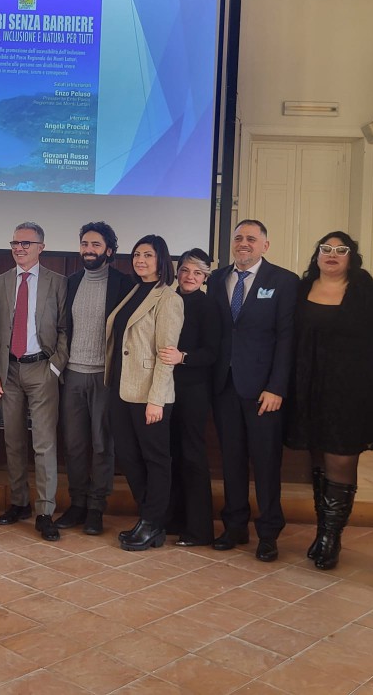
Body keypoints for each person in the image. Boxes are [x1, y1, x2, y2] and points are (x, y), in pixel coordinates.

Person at [286, 232, 373, 570]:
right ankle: (323, 530)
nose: (333, 255)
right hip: (308, 388)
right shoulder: (301, 290)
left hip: (350, 391)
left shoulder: (370, 292)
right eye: (326, 249)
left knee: (341, 460)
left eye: (341, 250)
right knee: (317, 457)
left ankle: (333, 536)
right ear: (317, 255)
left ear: (352, 256)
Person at [206, 219, 298, 562]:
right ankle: (234, 526)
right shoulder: (217, 279)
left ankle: (269, 532)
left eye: (251, 239)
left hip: (264, 391)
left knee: (266, 462)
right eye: (238, 238)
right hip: (224, 386)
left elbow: (287, 339)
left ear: (265, 245)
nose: (243, 243)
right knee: (231, 459)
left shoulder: (285, 281)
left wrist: (277, 387)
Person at [0, 222, 68, 542]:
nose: (19, 248)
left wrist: (56, 368)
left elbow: (64, 329)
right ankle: (19, 502)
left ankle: (44, 510)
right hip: (9, 370)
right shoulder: (0, 283)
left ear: (41, 247)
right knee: (14, 441)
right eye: (15, 243)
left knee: (44, 442)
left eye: (26, 243)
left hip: (41, 369)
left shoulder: (58, 282)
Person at [55, 222, 134, 536]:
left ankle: (97, 507)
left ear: (109, 251)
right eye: (85, 244)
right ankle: (77, 503)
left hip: (105, 377)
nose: (89, 250)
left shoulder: (123, 284)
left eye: (96, 245)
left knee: (102, 445)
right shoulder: (70, 282)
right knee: (74, 445)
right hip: (72, 375)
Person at [105, 235, 184, 550]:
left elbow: (167, 353)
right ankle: (149, 519)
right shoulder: (135, 290)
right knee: (128, 456)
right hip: (121, 389)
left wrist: (157, 399)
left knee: (155, 459)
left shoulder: (168, 298)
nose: (140, 260)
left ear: (160, 259)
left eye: (148, 255)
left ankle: (152, 523)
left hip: (149, 394)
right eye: (137, 254)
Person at [158, 248, 221, 546]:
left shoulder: (209, 306)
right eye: (185, 270)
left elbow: (212, 353)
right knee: (170, 455)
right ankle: (174, 519)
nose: (190, 277)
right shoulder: (167, 299)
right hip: (165, 387)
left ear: (206, 277)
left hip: (194, 389)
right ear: (177, 271)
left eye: (198, 272)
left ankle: (199, 529)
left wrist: (183, 357)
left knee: (193, 456)